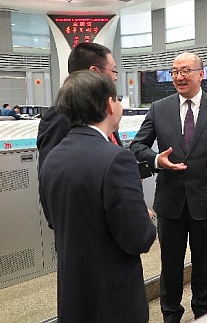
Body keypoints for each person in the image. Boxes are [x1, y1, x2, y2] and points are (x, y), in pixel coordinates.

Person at [130, 52, 207, 322]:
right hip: (171, 202)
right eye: (175, 71)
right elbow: (138, 146)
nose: (179, 76)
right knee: (171, 265)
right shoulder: (159, 108)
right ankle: (171, 314)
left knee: (204, 263)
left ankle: (203, 311)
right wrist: (157, 159)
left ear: (201, 74)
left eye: (186, 71)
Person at [38, 70, 156, 323]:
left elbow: (54, 218)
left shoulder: (53, 157)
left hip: (73, 293)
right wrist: (148, 220)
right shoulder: (116, 158)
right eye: (118, 98)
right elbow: (139, 239)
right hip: (113, 299)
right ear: (108, 105)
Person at [37, 42, 121, 170]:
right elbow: (52, 172)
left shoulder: (102, 107)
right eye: (113, 71)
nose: (115, 78)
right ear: (94, 71)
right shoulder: (61, 112)